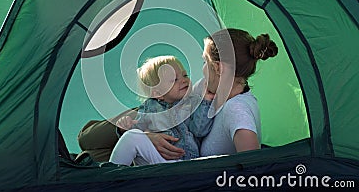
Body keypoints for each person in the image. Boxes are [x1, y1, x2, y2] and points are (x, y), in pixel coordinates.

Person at [148, 28, 278, 159]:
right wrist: (150, 136)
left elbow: (255, 167)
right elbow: (160, 104)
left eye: (205, 61)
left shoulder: (237, 110)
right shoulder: (205, 87)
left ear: (218, 68)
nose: (203, 69)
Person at [109, 55, 213, 166]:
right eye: (174, 80)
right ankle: (110, 176)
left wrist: (206, 101)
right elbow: (138, 130)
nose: (184, 80)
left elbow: (199, 130)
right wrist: (125, 127)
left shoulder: (193, 102)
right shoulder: (150, 108)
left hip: (185, 162)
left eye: (185, 75)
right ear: (158, 93)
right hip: (156, 160)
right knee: (131, 136)